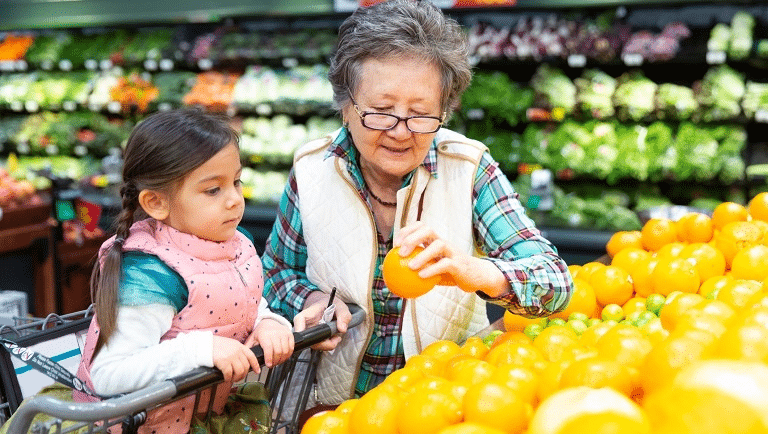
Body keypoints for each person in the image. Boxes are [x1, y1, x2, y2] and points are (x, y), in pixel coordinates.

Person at [262, 0, 573, 406]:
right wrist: (313, 300)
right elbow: (277, 271)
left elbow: (556, 283)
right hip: (336, 406)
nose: (400, 131)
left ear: (444, 110)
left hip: (447, 404)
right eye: (381, 111)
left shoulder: (469, 168)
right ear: (345, 106)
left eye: (421, 114)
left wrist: (475, 272)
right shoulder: (311, 170)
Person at [73, 108, 295, 433]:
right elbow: (108, 375)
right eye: (213, 190)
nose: (235, 199)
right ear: (157, 203)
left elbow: (242, 300)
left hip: (199, 416)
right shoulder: (152, 272)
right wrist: (200, 349)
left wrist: (268, 322)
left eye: (236, 181)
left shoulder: (233, 243)